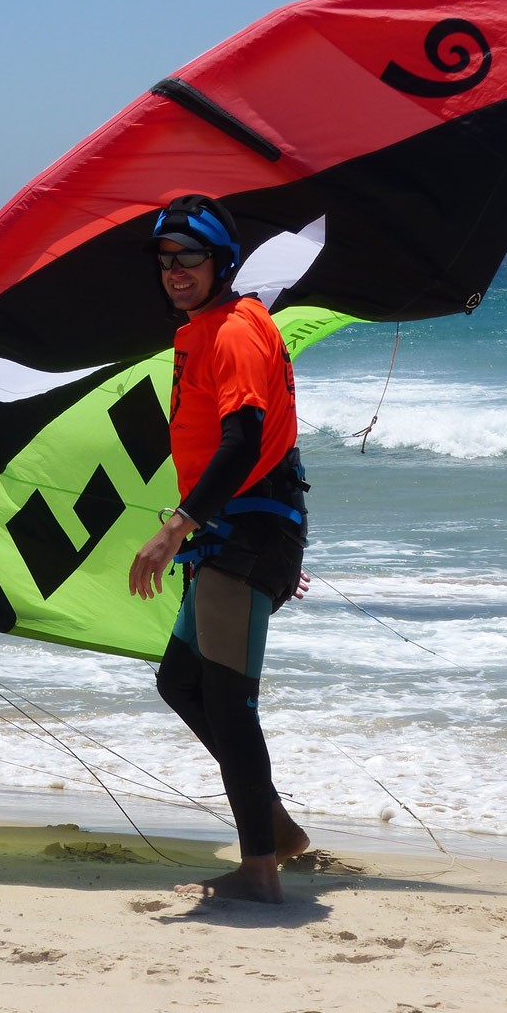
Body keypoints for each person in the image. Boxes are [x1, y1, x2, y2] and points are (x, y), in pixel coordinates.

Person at [128, 196, 311, 903]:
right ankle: (275, 828)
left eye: (190, 258)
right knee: (180, 681)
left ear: (221, 262)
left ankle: (259, 868)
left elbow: (241, 442)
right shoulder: (205, 329)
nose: (175, 271)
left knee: (230, 704)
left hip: (246, 533)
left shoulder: (234, 330)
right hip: (232, 534)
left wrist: (174, 526)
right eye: (166, 261)